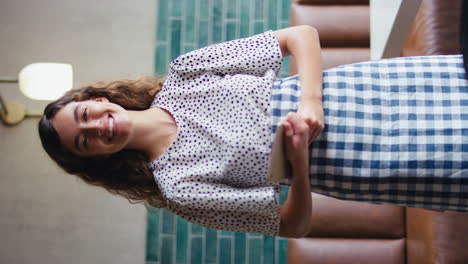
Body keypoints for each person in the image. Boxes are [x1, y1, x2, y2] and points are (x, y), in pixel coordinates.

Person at [39, 26, 468, 238]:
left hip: (369, 92)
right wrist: (298, 166)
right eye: (84, 142)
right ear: (95, 160)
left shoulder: (185, 72)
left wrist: (310, 103)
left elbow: (300, 36)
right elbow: (291, 226)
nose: (96, 128)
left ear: (97, 98)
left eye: (85, 115)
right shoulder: (180, 188)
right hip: (363, 162)